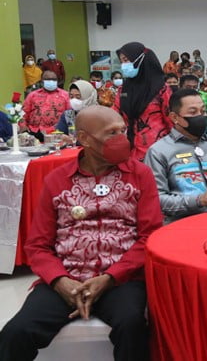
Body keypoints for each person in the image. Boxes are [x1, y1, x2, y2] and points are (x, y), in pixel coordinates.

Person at [0, 106, 162, 361]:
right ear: (85, 138)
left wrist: (110, 277)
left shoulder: (139, 175)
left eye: (122, 131)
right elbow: (37, 246)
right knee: (15, 333)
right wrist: (61, 282)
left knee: (131, 325)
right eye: (111, 133)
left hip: (121, 279)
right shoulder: (57, 180)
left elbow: (149, 236)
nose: (122, 139)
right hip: (67, 277)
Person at [144, 89, 207, 223]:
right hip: (185, 224)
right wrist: (199, 200)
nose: (200, 116)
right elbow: (156, 200)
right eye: (193, 112)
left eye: (203, 111)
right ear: (175, 117)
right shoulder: (159, 151)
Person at [113, 41, 173, 161]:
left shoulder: (161, 89)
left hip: (157, 151)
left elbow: (171, 120)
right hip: (129, 150)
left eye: (126, 60)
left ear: (140, 60)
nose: (124, 65)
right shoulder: (123, 89)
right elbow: (115, 115)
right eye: (122, 61)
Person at [22, 70, 71, 140]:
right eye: (48, 79)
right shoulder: (32, 95)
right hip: (34, 132)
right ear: (42, 80)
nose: (51, 81)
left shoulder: (65, 95)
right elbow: (24, 113)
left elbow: (69, 116)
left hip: (56, 133)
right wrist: (23, 127)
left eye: (54, 79)